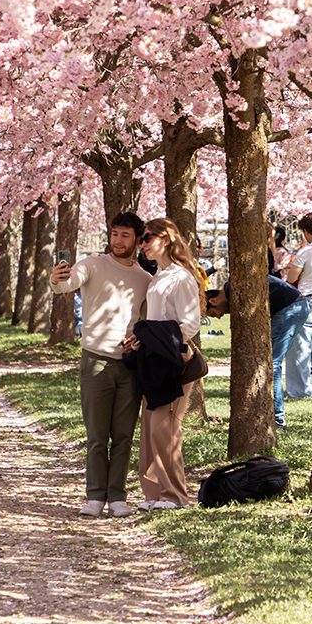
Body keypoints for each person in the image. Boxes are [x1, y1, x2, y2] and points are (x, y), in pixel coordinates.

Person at [50, 211, 150, 518]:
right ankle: (95, 496)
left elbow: (146, 321)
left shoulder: (145, 279)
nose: (118, 240)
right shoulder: (92, 265)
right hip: (95, 360)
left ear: (137, 240)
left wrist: (138, 339)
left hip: (129, 364)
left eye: (125, 235)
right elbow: (67, 285)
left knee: (123, 436)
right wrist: (57, 279)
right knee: (97, 435)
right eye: (114, 233)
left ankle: (117, 496)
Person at [125, 218, 206, 510]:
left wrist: (154, 338)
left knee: (165, 428)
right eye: (142, 239)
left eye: (148, 238)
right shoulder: (159, 275)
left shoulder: (181, 277)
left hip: (172, 361)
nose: (143, 244)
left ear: (167, 238)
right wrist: (141, 339)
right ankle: (154, 495)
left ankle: (175, 497)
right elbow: (156, 319)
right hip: (152, 359)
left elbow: (190, 324)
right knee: (150, 429)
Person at [204, 271, 307, 431]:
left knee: (272, 363)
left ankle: (278, 419)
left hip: (290, 308)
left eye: (213, 313)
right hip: (291, 307)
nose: (219, 317)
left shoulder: (233, 290)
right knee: (270, 362)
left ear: (213, 300)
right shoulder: (232, 289)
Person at [284, 212, 312, 399]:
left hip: (308, 297)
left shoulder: (306, 251)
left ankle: (300, 390)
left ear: (306, 231)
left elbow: (291, 278)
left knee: (301, 345)